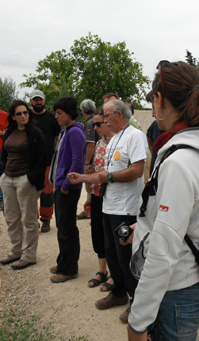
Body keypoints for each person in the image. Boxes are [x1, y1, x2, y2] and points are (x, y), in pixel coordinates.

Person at [127, 61, 199, 341]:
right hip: (192, 282)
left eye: (153, 101)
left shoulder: (181, 160)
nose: (153, 112)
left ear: (160, 99)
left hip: (178, 288)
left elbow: (164, 251)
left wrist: (137, 322)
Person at [68, 100, 148, 323]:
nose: (102, 118)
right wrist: (82, 177)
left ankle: (137, 304)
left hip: (127, 209)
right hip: (109, 206)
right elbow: (104, 174)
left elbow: (138, 170)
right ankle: (119, 293)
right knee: (112, 253)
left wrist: (110, 177)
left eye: (107, 114)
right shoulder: (113, 139)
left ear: (119, 115)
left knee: (127, 259)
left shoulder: (135, 136)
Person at [0, 100, 48, 269]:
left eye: (25, 112)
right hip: (8, 179)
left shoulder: (35, 133)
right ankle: (15, 251)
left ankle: (29, 255)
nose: (23, 116)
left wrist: (31, 178)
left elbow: (43, 158)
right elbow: (4, 154)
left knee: (29, 220)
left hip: (25, 180)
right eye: (19, 113)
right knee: (11, 218)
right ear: (13, 116)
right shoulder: (10, 131)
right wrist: (1, 174)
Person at [49, 97, 86, 283]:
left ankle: (69, 269)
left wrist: (65, 186)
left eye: (60, 113)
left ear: (70, 113)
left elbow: (77, 162)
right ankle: (63, 261)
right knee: (62, 226)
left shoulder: (75, 133)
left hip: (68, 189)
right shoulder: (67, 131)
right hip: (61, 187)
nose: (56, 116)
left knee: (67, 228)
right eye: (56, 113)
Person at [83, 109, 115, 290]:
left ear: (108, 122)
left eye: (98, 124)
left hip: (112, 196)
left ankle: (114, 274)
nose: (95, 128)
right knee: (97, 233)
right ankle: (102, 271)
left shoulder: (118, 142)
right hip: (97, 194)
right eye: (93, 124)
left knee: (110, 234)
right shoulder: (100, 143)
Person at [29, 89, 62, 233]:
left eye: (40, 99)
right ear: (31, 101)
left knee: (47, 193)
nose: (38, 102)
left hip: (48, 161)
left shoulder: (52, 118)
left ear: (44, 101)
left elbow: (58, 137)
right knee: (30, 192)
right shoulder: (26, 116)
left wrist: (58, 156)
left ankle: (46, 220)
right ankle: (32, 221)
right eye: (35, 100)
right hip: (29, 162)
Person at [77, 99, 99, 220]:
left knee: (90, 187)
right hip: (99, 159)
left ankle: (90, 211)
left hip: (93, 161)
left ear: (83, 110)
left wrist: (86, 162)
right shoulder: (97, 120)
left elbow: (90, 144)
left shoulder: (90, 123)